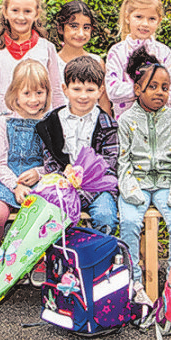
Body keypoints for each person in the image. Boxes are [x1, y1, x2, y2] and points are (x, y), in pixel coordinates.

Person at [117, 46, 171, 304]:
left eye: (165, 87)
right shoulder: (126, 120)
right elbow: (122, 160)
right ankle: (133, 280)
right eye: (153, 86)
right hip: (135, 183)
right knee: (128, 222)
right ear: (138, 89)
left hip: (166, 182)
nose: (160, 92)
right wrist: (130, 191)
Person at [0, 60, 52, 286]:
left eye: (39, 92)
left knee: (42, 214)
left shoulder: (50, 122)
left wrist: (39, 173)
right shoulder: (4, 122)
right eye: (27, 93)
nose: (34, 100)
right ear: (15, 94)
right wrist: (15, 185)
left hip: (38, 181)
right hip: (8, 180)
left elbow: (53, 161)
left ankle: (37, 256)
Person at [36, 55, 120, 233]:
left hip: (97, 187)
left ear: (100, 91)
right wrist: (64, 180)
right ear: (65, 89)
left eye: (90, 90)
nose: (83, 96)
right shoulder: (51, 122)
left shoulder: (107, 124)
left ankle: (97, 257)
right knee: (47, 216)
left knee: (105, 216)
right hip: (60, 184)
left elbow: (109, 162)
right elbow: (49, 159)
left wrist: (85, 185)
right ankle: (57, 257)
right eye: (76, 89)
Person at [0, 0, 63, 122]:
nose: (21, 17)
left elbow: (56, 91)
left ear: (37, 13)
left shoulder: (47, 49)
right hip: (6, 124)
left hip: (41, 124)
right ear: (5, 12)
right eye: (15, 10)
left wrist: (57, 123)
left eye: (27, 11)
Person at [105, 0, 171, 116]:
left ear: (159, 20)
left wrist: (144, 90)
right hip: (127, 126)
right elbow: (112, 91)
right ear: (128, 18)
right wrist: (149, 89)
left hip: (159, 126)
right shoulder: (117, 52)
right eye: (138, 17)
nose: (145, 24)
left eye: (151, 19)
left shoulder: (164, 53)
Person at [52, 0, 111, 113]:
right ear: (60, 28)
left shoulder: (97, 62)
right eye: (74, 26)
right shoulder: (52, 62)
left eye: (86, 27)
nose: (80, 33)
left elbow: (103, 101)